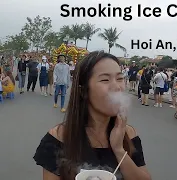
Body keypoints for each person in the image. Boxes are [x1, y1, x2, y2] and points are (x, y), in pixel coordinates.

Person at [33, 51, 151, 180]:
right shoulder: (59, 138)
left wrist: (119, 149)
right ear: (83, 91)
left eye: (120, 78)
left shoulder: (128, 133)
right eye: (105, 80)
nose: (117, 87)